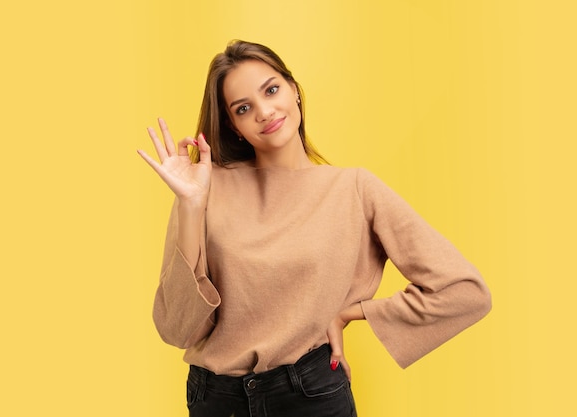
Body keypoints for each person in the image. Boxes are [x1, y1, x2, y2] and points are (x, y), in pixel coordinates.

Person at [137, 40, 491, 417]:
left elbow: (465, 291)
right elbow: (177, 330)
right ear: (234, 126)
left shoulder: (353, 189)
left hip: (309, 396)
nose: (264, 111)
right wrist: (191, 206)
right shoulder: (203, 185)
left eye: (271, 90)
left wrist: (351, 313)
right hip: (215, 400)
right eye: (244, 108)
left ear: (294, 91)